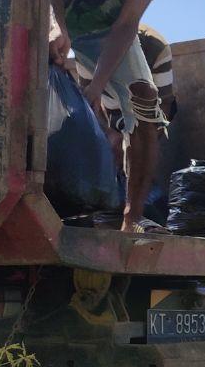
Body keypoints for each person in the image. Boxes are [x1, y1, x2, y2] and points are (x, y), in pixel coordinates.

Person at [49, 0, 185, 233]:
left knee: (145, 103)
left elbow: (126, 24)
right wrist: (55, 28)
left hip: (105, 32)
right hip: (49, 8)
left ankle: (133, 217)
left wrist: (95, 87)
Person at [75, 24, 177, 228]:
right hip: (112, 112)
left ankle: (134, 216)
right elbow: (90, 102)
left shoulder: (154, 47)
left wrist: (140, 143)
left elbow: (163, 106)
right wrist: (111, 134)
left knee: (142, 149)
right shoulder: (87, 48)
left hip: (149, 112)